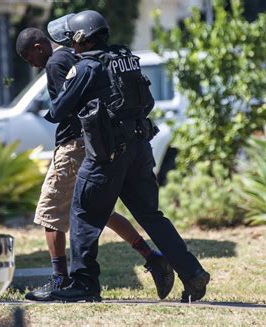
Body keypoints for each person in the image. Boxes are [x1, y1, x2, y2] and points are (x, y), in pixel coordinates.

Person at [44, 10, 210, 303]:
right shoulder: (125, 60)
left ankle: (83, 284)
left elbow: (57, 112)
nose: (71, 44)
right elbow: (148, 102)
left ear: (82, 39)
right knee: (151, 216)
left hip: (107, 155)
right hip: (138, 149)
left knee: (82, 213)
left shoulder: (86, 68)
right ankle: (192, 272)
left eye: (73, 39)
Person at [15, 26, 174, 301]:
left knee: (49, 212)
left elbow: (62, 110)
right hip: (92, 142)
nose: (31, 63)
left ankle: (60, 281)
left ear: (38, 48)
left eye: (29, 57)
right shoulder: (75, 56)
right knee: (100, 211)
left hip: (73, 145)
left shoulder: (54, 62)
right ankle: (152, 256)